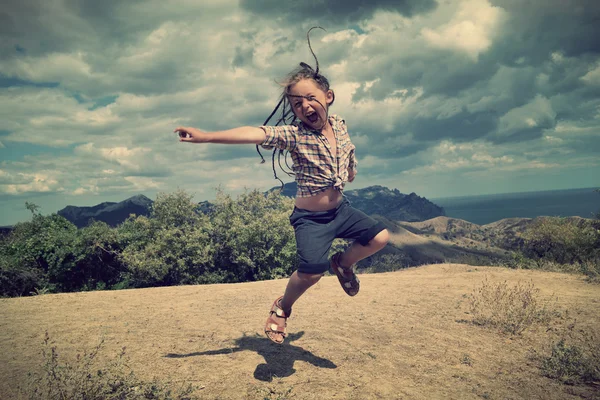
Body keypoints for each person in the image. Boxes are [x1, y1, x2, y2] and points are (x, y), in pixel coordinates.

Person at [175, 61, 390, 345]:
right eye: (298, 104)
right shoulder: (295, 135)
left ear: (329, 96)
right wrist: (207, 137)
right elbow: (257, 133)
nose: (305, 107)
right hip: (311, 219)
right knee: (312, 272)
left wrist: (351, 169)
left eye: (311, 98)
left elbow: (348, 149)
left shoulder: (339, 124)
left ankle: (343, 264)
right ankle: (282, 308)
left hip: (341, 210)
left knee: (380, 237)